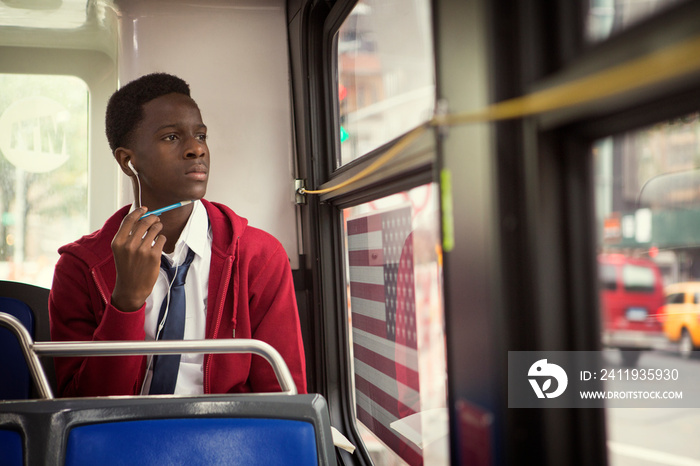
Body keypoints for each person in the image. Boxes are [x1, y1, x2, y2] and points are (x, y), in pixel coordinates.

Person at [48, 72, 307, 397]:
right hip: (123, 438)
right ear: (128, 161)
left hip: (225, 436)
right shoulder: (79, 267)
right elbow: (80, 407)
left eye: (201, 135)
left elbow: (283, 399)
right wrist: (125, 302)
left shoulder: (259, 255)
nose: (196, 149)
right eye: (172, 137)